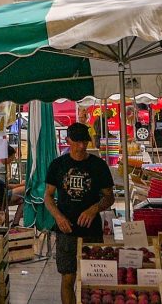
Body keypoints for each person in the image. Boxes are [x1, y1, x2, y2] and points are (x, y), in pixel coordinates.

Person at [44, 123, 114, 304]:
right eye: (77, 142)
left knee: (92, 279)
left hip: (92, 231)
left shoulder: (98, 165)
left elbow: (109, 197)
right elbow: (48, 197)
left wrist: (94, 208)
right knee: (68, 278)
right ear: (68, 141)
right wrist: (58, 216)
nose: (82, 146)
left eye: (85, 141)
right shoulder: (57, 165)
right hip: (66, 231)